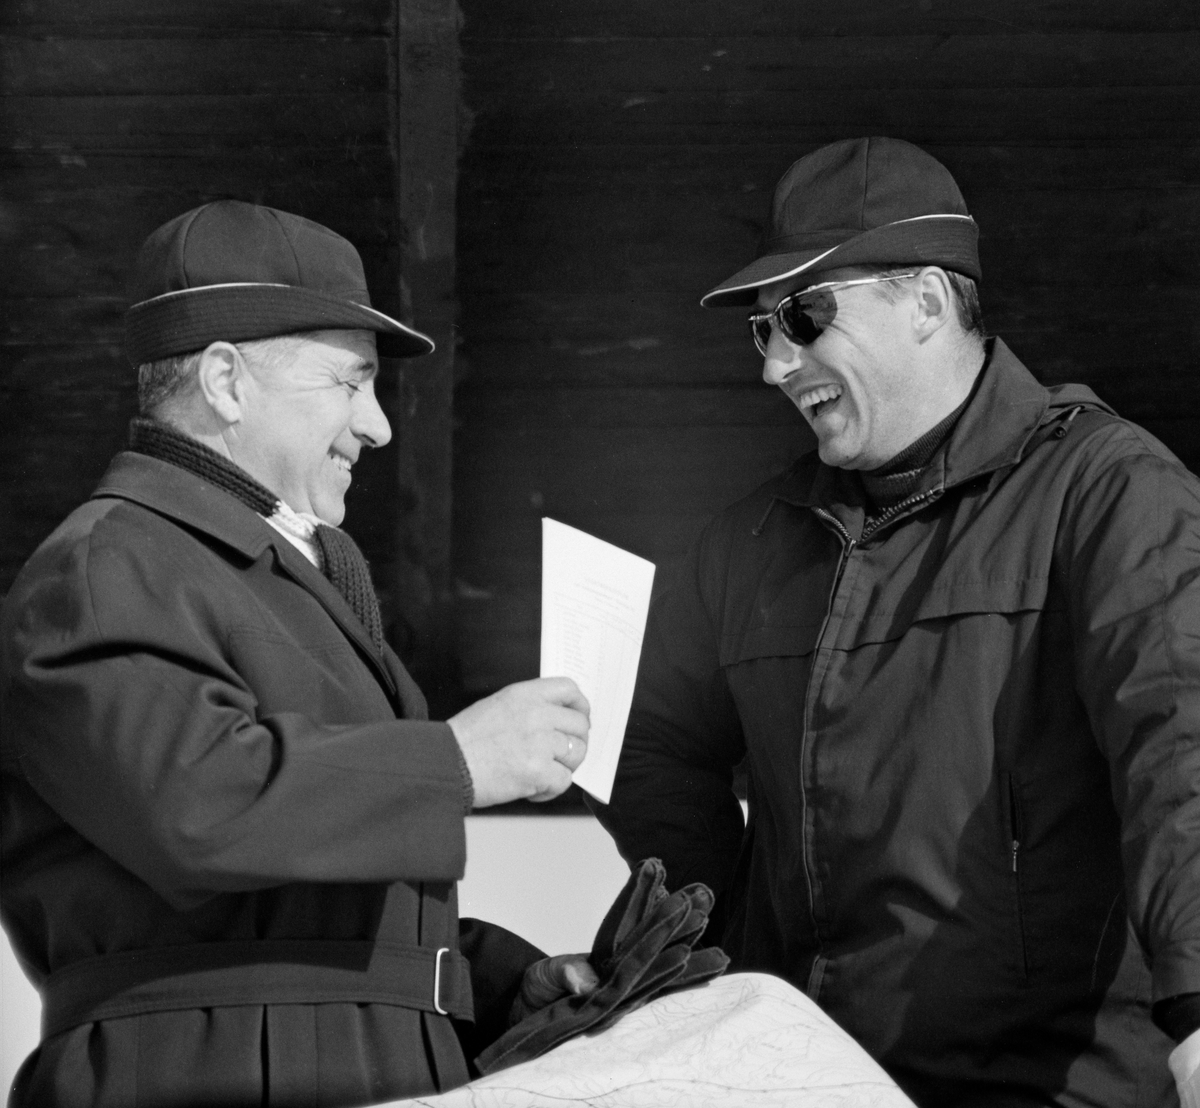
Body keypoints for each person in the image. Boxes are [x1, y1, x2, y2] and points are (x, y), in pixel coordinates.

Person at [591, 137, 1200, 1107]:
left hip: (1053, 1083)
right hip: (810, 1081)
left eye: (804, 314)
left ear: (926, 301)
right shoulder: (752, 541)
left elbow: (1181, 736)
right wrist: (698, 945)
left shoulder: (1109, 491)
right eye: (762, 330)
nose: (778, 364)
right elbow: (652, 737)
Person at [0, 200, 598, 1107]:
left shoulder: (282, 573)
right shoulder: (105, 563)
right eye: (349, 382)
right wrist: (458, 761)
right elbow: (198, 806)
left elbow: (303, 906)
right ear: (227, 381)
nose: (379, 426)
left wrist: (499, 980)